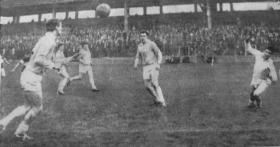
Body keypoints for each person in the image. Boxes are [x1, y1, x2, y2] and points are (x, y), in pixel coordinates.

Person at [0, 19, 62, 141]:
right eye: (61, 27)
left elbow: (36, 55)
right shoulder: (48, 41)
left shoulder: (46, 39)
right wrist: (54, 66)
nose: (62, 29)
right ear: (55, 27)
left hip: (30, 76)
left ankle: (9, 126)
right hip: (31, 78)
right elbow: (39, 59)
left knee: (28, 106)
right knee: (38, 107)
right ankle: (15, 129)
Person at [134, 30, 167, 107]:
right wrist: (135, 64)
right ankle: (157, 99)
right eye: (141, 36)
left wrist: (158, 63)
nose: (142, 37)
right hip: (145, 67)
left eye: (144, 36)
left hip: (153, 65)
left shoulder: (151, 44)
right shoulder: (139, 46)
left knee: (155, 83)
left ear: (147, 36)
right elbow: (137, 56)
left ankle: (162, 101)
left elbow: (159, 53)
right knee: (147, 86)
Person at [245, 39, 278, 109]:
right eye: (266, 51)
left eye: (269, 53)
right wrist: (248, 42)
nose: (266, 53)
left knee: (256, 93)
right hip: (255, 78)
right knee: (253, 91)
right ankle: (251, 104)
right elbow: (250, 49)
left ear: (270, 55)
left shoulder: (270, 63)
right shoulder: (259, 54)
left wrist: (270, 77)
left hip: (264, 81)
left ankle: (259, 104)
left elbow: (275, 78)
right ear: (264, 51)